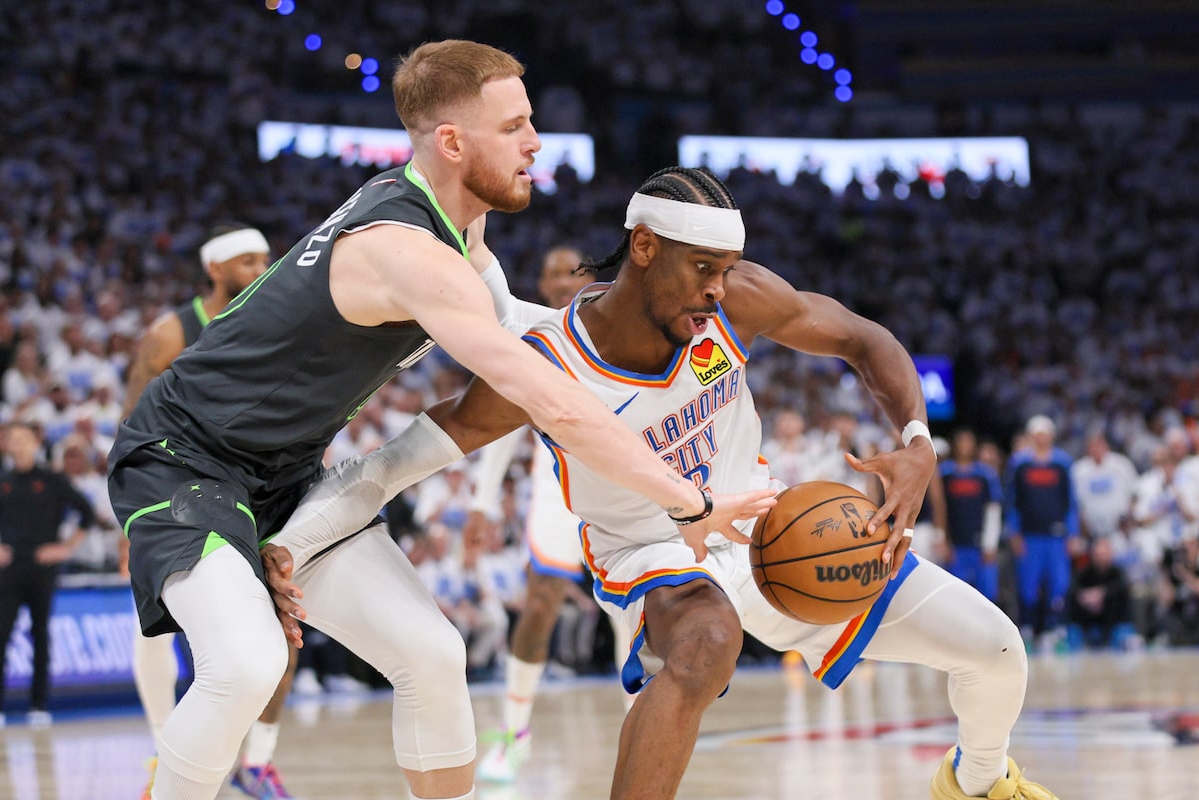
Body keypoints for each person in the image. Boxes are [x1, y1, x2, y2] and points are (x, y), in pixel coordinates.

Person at [265, 166, 1059, 800]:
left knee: (997, 652)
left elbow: (864, 340)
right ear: (644, 247)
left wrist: (918, 440)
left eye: (727, 270)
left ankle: (978, 784)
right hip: (652, 550)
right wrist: (291, 543)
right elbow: (392, 464)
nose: (718, 287)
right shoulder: (547, 365)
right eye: (703, 268)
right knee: (707, 641)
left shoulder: (733, 303)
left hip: (766, 529)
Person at [107, 42, 770, 800]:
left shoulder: (458, 227)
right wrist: (690, 503)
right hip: (183, 458)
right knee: (247, 664)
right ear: (452, 142)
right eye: (514, 126)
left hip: (283, 474)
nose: (536, 142)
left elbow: (528, 328)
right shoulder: (407, 252)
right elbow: (552, 396)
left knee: (433, 654)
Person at [118, 223, 301, 800]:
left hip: (257, 485)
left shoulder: (278, 319)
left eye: (265, 259)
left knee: (284, 622)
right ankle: (163, 748)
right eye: (247, 261)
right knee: (157, 625)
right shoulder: (172, 333)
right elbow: (132, 425)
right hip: (179, 487)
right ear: (215, 269)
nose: (261, 270)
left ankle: (258, 762)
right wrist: (127, 516)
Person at [461, 245, 633, 782]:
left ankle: (638, 732)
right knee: (539, 605)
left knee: (631, 614)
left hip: (620, 487)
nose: (562, 281)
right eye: (552, 273)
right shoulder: (531, 338)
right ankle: (515, 734)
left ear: (590, 277)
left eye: (571, 272)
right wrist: (483, 502)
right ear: (539, 283)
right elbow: (502, 424)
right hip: (557, 488)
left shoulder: (620, 330)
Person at [0, 421, 96, 729]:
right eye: (13, 439)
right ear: (6, 445)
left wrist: (65, 548)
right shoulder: (3, 480)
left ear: (35, 443)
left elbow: (88, 512)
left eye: (23, 438)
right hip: (9, 568)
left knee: (40, 634)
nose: (18, 444)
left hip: (42, 568)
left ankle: (38, 705)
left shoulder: (52, 479)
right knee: (1, 634)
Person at [1004, 415, 1079, 651]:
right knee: (1028, 584)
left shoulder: (1062, 463)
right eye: (1037, 435)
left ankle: (1057, 629)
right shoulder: (1019, 464)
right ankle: (1028, 628)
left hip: (1056, 536)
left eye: (1044, 435)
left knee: (1059, 583)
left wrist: (1072, 533)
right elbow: (1012, 501)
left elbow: (1070, 501)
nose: (1041, 439)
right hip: (1029, 535)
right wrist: (1014, 532)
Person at [941, 428, 1004, 603]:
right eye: (961, 441)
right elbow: (940, 509)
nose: (965, 446)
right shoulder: (945, 474)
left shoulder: (985, 475)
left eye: (968, 441)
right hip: (955, 545)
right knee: (955, 596)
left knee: (987, 595)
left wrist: (990, 544)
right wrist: (943, 540)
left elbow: (993, 510)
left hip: (980, 545)